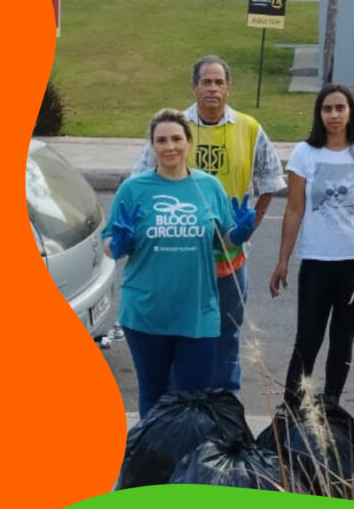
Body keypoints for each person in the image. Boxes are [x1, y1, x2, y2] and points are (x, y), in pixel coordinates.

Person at [132, 55, 286, 393]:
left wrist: (250, 226)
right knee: (180, 332)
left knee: (227, 332)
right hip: (180, 256)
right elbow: (141, 181)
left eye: (219, 82)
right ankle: (181, 408)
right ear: (194, 87)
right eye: (206, 82)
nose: (212, 88)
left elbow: (272, 180)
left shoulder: (249, 128)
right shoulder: (174, 127)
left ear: (229, 88)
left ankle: (223, 406)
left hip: (229, 259)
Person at [104, 109, 255, 417]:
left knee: (193, 400)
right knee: (154, 396)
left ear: (189, 142)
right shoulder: (133, 190)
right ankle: (155, 459)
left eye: (176, 139)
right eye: (161, 140)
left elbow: (222, 241)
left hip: (197, 312)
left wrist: (238, 234)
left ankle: (187, 462)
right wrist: (118, 241)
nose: (169, 147)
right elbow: (110, 249)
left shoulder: (208, 186)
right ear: (152, 146)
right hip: (146, 312)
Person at [269, 84, 354, 408]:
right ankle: (292, 403)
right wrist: (283, 260)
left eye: (340, 108)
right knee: (308, 337)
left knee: (342, 339)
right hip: (317, 259)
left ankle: (331, 402)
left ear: (350, 112)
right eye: (327, 109)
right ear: (319, 114)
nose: (334, 115)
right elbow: (294, 209)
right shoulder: (305, 153)